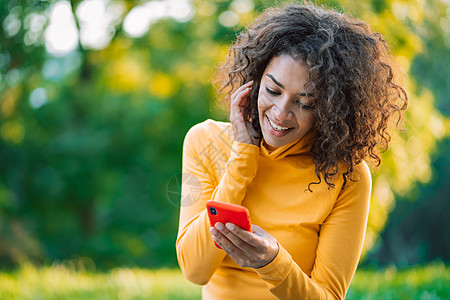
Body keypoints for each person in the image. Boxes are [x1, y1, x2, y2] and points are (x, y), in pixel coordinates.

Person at [176, 2, 407, 299]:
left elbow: (328, 296)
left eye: (305, 102)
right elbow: (195, 270)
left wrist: (272, 262)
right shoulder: (204, 140)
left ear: (329, 110)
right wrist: (242, 159)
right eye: (273, 91)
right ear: (255, 82)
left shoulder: (348, 176)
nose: (281, 113)